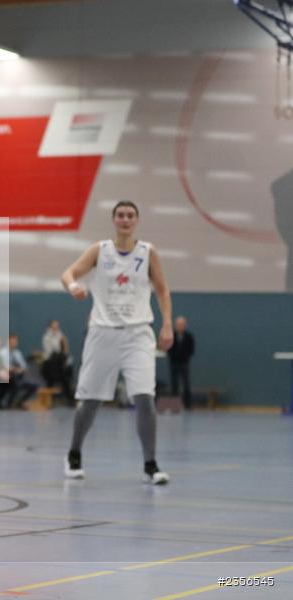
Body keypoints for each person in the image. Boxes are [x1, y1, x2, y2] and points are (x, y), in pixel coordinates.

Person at [61, 200, 173, 485]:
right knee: (90, 401)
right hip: (103, 332)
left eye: (130, 215)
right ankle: (74, 453)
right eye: (121, 215)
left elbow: (162, 290)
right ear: (114, 220)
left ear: (136, 220)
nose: (125, 219)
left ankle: (151, 463)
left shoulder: (148, 252)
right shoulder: (100, 250)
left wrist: (168, 325)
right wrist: (73, 286)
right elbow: (68, 273)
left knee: (145, 398)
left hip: (138, 334)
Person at [41, 319, 74, 401]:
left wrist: (64, 345)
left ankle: (70, 399)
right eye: (54, 326)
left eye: (57, 326)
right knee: (60, 377)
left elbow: (65, 352)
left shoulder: (61, 335)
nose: (56, 327)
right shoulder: (46, 337)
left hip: (59, 365)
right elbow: (50, 352)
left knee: (66, 374)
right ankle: (68, 398)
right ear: (50, 327)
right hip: (49, 365)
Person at [167, 315, 195, 409]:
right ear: (175, 325)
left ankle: (188, 405)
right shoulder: (171, 336)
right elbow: (169, 349)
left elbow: (191, 350)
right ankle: (175, 405)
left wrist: (184, 357)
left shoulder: (189, 337)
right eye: (179, 324)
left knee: (186, 383)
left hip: (184, 363)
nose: (180, 326)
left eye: (182, 324)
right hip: (173, 363)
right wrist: (174, 356)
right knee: (174, 384)